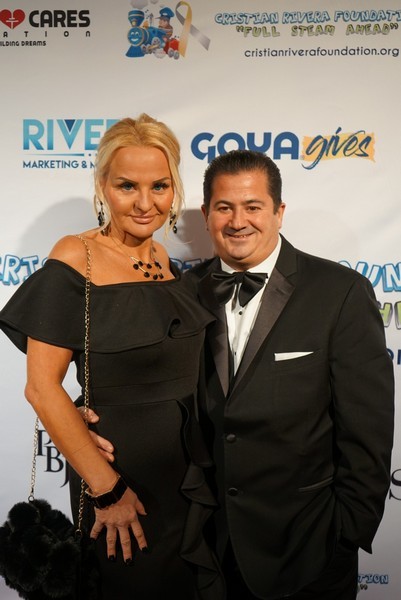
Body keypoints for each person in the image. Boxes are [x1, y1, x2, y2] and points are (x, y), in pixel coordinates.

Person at [0, 114, 224, 600]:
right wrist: (107, 489)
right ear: (103, 185)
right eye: (127, 186)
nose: (145, 203)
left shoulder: (163, 261)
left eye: (159, 186)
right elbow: (41, 388)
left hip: (186, 474)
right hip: (123, 483)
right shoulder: (74, 256)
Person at [184, 149, 394, 599]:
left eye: (253, 206)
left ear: (279, 212)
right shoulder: (182, 293)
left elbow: (368, 428)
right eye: (224, 207)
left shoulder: (340, 293)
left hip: (308, 549)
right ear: (205, 215)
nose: (238, 221)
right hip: (206, 551)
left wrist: (346, 534)